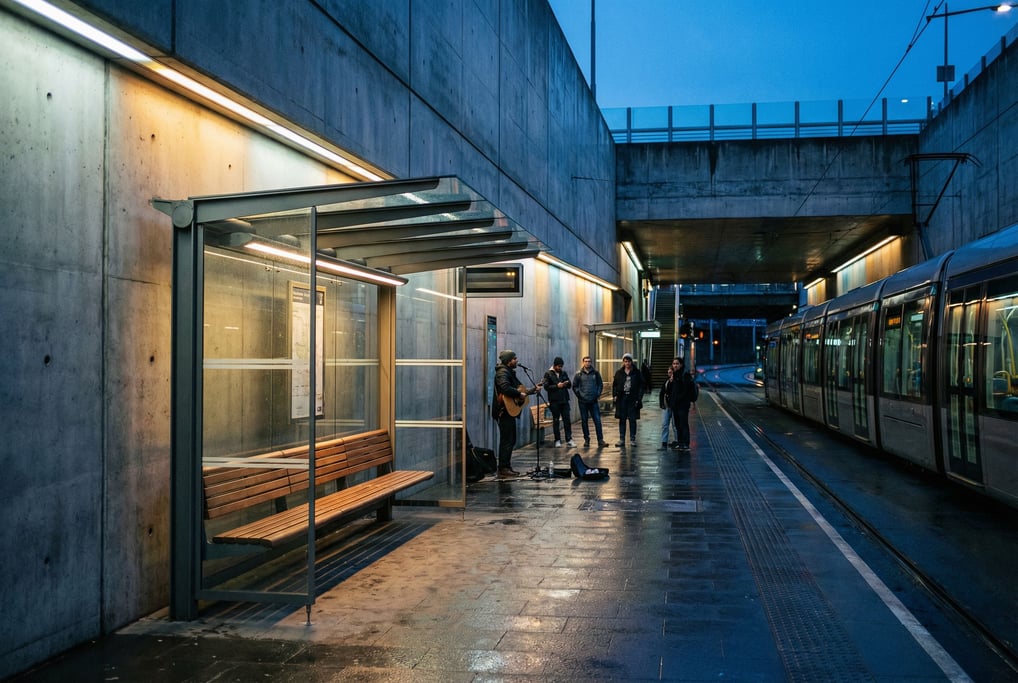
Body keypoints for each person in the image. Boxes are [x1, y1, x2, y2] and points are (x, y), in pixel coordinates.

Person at [491, 349, 539, 477]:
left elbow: (520, 389)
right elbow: (505, 388)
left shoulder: (509, 372)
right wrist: (519, 394)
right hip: (503, 411)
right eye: (514, 359)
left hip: (508, 411)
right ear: (508, 361)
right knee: (507, 440)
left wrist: (533, 390)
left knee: (511, 439)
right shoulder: (502, 372)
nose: (516, 360)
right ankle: (503, 468)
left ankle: (506, 466)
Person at [572, 355, 608, 448]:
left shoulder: (595, 373)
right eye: (586, 361)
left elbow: (600, 384)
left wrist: (598, 393)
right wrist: (579, 394)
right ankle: (586, 439)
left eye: (589, 361)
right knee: (584, 421)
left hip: (593, 401)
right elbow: (574, 386)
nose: (587, 363)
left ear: (591, 362)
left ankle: (600, 440)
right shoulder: (579, 374)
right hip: (583, 402)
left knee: (597, 420)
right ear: (583, 362)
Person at [612, 353, 644, 447]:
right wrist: (614, 395)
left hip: (632, 398)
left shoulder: (636, 373)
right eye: (625, 361)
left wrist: (639, 398)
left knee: (632, 419)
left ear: (631, 362)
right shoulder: (619, 372)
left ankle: (632, 439)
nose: (627, 363)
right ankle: (621, 439)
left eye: (629, 361)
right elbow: (615, 385)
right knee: (622, 419)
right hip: (622, 398)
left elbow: (641, 386)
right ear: (623, 362)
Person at [543, 357, 575, 447]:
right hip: (554, 401)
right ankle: (557, 440)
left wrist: (567, 383)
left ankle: (569, 439)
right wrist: (557, 386)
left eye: (561, 366)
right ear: (554, 365)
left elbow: (569, 385)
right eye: (559, 366)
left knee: (567, 420)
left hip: (564, 400)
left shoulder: (563, 373)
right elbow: (546, 387)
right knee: (556, 420)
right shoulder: (548, 374)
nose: (560, 368)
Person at [669, 356, 696, 452]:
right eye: (674, 364)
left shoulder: (685, 375)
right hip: (675, 405)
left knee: (683, 423)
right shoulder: (674, 375)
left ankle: (685, 443)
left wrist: (678, 399)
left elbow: (685, 390)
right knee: (677, 424)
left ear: (681, 365)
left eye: (677, 364)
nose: (675, 365)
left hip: (683, 404)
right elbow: (672, 390)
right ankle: (680, 442)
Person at [658, 362, 678, 450]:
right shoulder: (666, 381)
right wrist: (661, 403)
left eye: (671, 373)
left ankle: (677, 441)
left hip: (674, 406)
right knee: (665, 424)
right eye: (668, 373)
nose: (669, 374)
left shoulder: (676, 381)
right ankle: (664, 443)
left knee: (675, 425)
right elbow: (662, 392)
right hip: (667, 406)